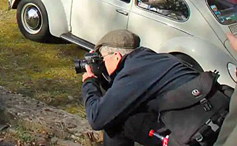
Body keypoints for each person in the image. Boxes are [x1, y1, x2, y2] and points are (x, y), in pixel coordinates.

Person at [82, 29, 226, 146]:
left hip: (197, 134)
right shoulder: (154, 59)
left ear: (117, 56)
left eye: (102, 59)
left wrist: (90, 81)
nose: (101, 65)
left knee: (115, 121)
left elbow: (97, 118)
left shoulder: (133, 72)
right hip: (218, 117)